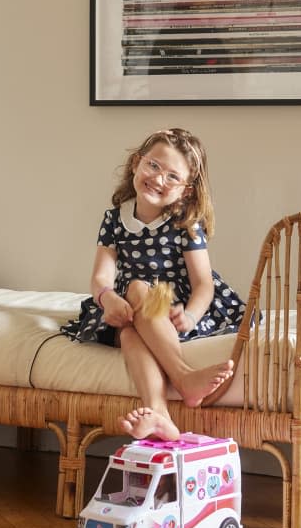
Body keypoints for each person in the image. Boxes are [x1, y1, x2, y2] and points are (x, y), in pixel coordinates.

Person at [61, 127, 245, 441]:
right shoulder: (114, 219)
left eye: (173, 176)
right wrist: (107, 299)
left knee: (136, 290)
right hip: (128, 307)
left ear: (186, 190)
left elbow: (203, 284)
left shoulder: (185, 223)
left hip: (175, 304)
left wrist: (190, 315)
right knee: (130, 328)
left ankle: (179, 383)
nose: (159, 179)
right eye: (154, 166)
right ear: (136, 163)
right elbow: (101, 277)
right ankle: (160, 413)